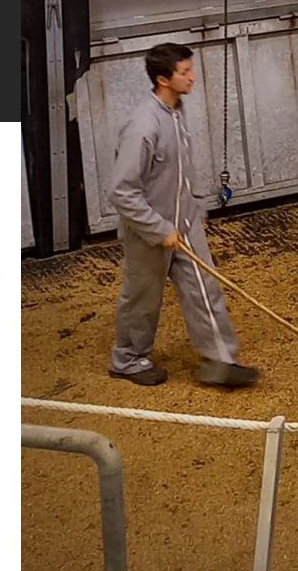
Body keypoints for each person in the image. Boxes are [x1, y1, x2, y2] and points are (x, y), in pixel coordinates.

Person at [105, 43, 258, 388]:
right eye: (185, 72)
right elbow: (122, 191)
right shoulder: (143, 127)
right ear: (163, 79)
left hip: (185, 223)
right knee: (143, 296)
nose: (193, 77)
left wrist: (191, 213)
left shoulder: (177, 111)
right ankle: (127, 359)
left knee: (205, 289)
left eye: (191, 70)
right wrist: (159, 228)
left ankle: (222, 359)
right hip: (149, 231)